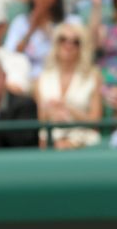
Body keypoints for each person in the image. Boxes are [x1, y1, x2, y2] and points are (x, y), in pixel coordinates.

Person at [35, 20, 102, 149]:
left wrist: (69, 110)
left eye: (75, 42)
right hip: (49, 139)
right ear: (56, 44)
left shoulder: (93, 77)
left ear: (81, 47)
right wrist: (52, 114)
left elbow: (95, 122)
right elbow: (40, 119)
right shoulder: (42, 78)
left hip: (83, 139)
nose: (68, 45)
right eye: (63, 39)